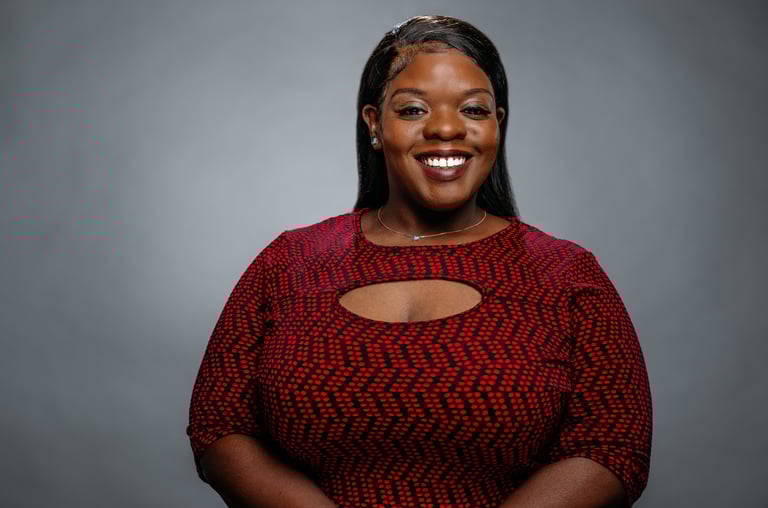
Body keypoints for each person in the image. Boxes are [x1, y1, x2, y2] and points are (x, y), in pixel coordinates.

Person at [186, 15, 652, 508]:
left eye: (474, 109)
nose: (447, 128)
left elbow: (613, 445)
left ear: (498, 123)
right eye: (412, 110)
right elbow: (220, 425)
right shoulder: (289, 262)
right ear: (374, 123)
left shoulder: (565, 273)